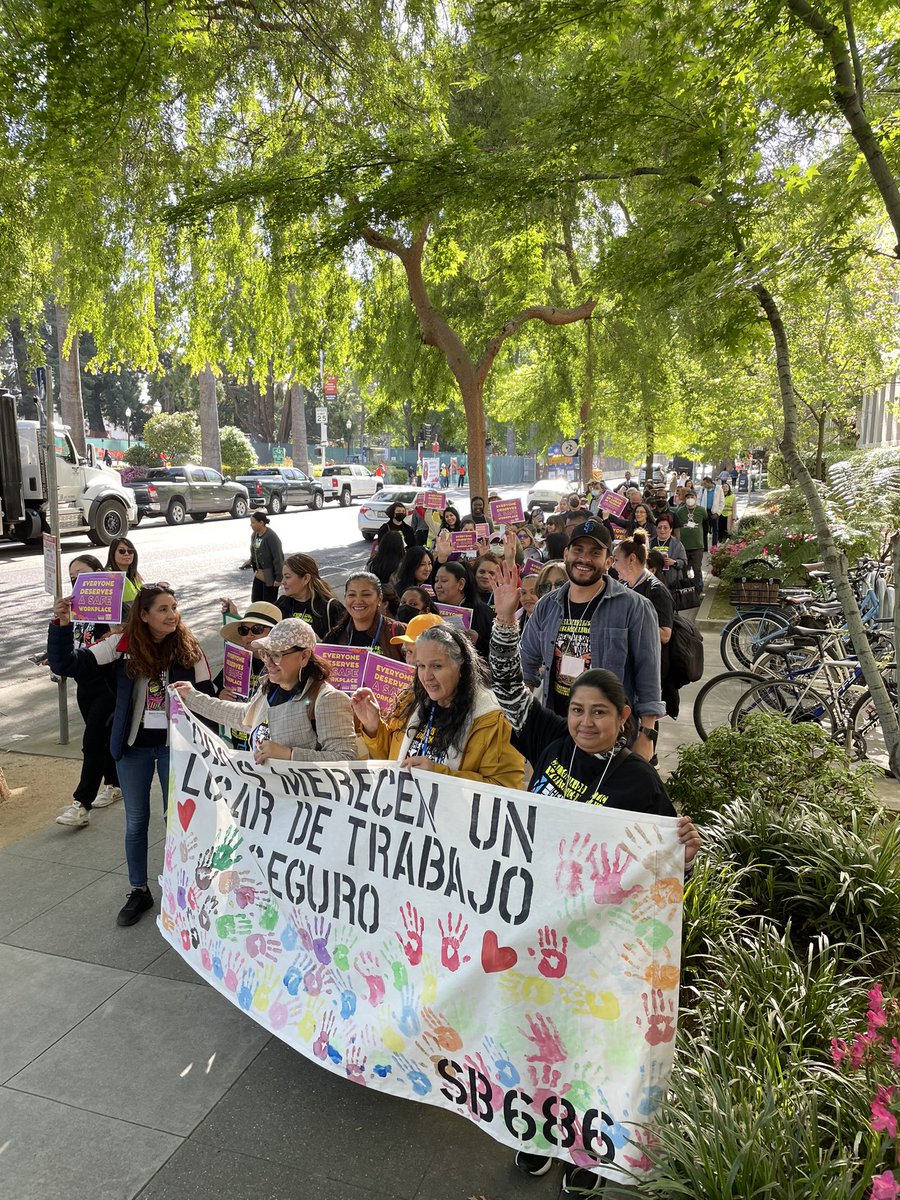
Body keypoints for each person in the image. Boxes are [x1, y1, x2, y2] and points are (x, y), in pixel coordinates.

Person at [47, 584, 214, 926]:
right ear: (144, 615)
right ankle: (139, 890)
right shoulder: (121, 644)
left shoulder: (188, 646)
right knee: (136, 822)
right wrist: (61, 625)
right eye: (163, 609)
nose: (172, 615)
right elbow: (67, 663)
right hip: (132, 748)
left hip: (175, 748)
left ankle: (183, 889)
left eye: (174, 607)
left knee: (177, 822)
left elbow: (207, 697)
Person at [520, 519, 665, 759]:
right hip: (557, 732)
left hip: (610, 738)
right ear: (566, 554)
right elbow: (527, 664)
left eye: (595, 553)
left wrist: (647, 735)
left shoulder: (635, 607)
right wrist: (524, 720)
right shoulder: (547, 605)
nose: (584, 559)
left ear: (608, 561)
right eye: (578, 550)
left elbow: (648, 676)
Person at [351, 623, 523, 787]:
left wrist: (438, 776)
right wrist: (373, 727)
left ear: (462, 667)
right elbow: (393, 764)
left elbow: (505, 788)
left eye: (437, 666)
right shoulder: (410, 701)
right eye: (421, 666)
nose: (427, 676)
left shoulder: (494, 720)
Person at [173, 618, 361, 764]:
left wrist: (289, 754)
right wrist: (192, 698)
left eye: (277, 655)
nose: (268, 663)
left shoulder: (328, 699)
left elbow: (346, 758)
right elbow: (244, 716)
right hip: (270, 797)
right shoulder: (269, 688)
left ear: (304, 656)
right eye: (265, 654)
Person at [54, 555, 121, 827]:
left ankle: (81, 804)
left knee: (92, 742)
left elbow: (124, 640)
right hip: (84, 685)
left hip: (108, 686)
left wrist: (119, 628)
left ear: (98, 573)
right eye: (72, 578)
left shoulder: (115, 608)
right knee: (101, 741)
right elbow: (72, 646)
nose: (76, 582)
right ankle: (114, 784)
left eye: (82, 575)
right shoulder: (74, 609)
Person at [612, 536, 678, 721]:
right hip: (629, 668)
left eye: (616, 560)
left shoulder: (656, 590)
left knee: (645, 723)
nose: (613, 566)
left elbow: (665, 634)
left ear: (632, 559)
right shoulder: (627, 586)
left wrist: (630, 626)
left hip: (650, 672)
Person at [213, 601, 281, 750]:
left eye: (257, 629)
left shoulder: (282, 665)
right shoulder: (235, 661)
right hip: (239, 739)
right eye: (243, 630)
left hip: (270, 744)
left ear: (273, 633)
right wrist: (221, 695)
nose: (249, 635)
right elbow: (216, 692)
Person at [325, 571, 407, 660]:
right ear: (345, 598)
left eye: (366, 595)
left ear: (379, 599)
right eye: (352, 595)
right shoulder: (335, 636)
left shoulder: (400, 632)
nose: (358, 600)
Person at [273, 552, 345, 640]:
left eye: (287, 577)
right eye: (283, 577)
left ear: (306, 578)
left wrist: (319, 643)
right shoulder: (282, 603)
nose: (283, 582)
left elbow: (346, 643)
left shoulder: (331, 607)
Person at [433, 560, 494, 658]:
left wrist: (478, 640)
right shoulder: (431, 608)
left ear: (461, 584)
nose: (438, 586)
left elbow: (497, 652)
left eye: (444, 581)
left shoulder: (483, 613)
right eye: (436, 581)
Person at [243, 510, 284, 603]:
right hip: (259, 573)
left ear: (261, 523)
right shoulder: (255, 535)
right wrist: (251, 561)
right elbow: (255, 551)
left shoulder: (271, 537)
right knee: (256, 600)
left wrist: (278, 578)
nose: (251, 525)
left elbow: (278, 558)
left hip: (269, 574)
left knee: (268, 602)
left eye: (253, 522)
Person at [673, 490, 708, 590]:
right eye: (688, 497)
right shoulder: (680, 511)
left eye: (692, 497)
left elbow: (706, 525)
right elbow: (677, 527)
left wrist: (703, 540)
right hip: (684, 545)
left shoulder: (702, 510)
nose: (690, 499)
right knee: (684, 569)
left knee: (697, 569)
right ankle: (686, 588)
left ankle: (699, 588)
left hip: (697, 545)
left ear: (696, 498)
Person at [649, 513, 688, 591]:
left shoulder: (677, 544)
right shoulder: (650, 542)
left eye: (665, 527)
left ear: (671, 529)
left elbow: (684, 562)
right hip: (652, 581)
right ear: (656, 529)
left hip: (672, 583)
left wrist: (674, 562)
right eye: (659, 527)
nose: (662, 530)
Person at [368, 530, 407, 602]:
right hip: (395, 600)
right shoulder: (402, 566)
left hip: (375, 599)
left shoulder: (372, 564)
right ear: (400, 546)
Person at [104, 537, 143, 603]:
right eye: (122, 551)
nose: (126, 554)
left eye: (130, 551)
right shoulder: (108, 576)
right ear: (113, 554)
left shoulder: (134, 574)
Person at [698, 476, 725, 548]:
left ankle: (714, 546)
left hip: (714, 512)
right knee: (704, 530)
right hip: (705, 511)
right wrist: (700, 511)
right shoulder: (702, 489)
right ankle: (705, 547)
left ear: (710, 483)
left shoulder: (718, 489)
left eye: (705, 483)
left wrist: (718, 513)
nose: (704, 485)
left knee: (715, 530)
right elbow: (698, 500)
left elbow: (722, 502)